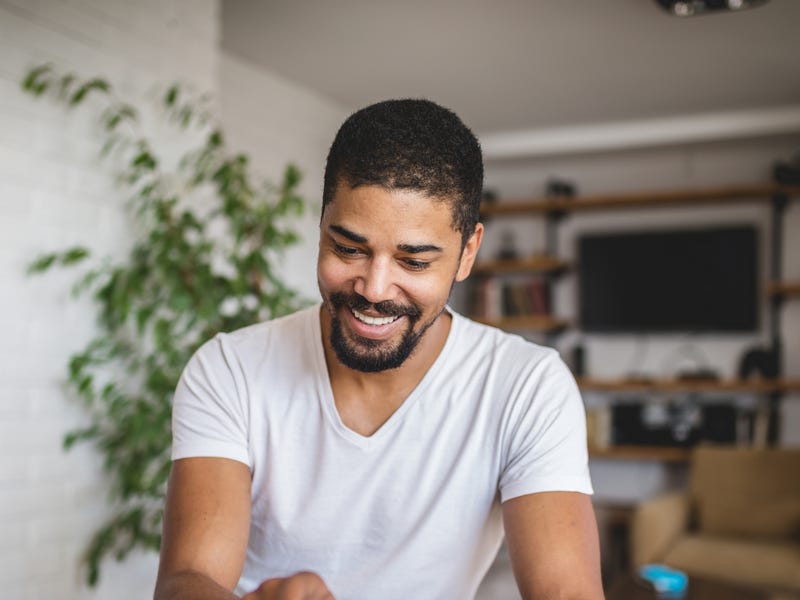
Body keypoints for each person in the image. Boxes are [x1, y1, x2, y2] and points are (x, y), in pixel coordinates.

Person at [154, 99, 603, 600]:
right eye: (348, 249)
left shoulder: (526, 387)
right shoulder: (229, 369)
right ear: (321, 224)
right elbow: (186, 581)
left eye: (413, 261)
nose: (373, 288)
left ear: (467, 253)